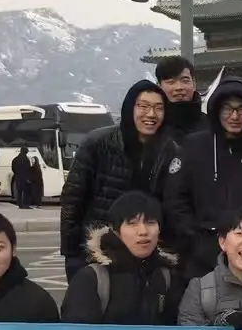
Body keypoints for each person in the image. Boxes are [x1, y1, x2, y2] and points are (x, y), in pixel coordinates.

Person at [59, 79, 180, 281]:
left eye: (159, 108)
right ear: (129, 108)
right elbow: (72, 200)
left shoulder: (170, 151)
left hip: (147, 253)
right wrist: (71, 254)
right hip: (100, 250)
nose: (151, 114)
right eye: (143, 106)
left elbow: (173, 207)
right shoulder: (98, 143)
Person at [164, 76, 242, 278]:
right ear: (216, 110)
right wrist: (194, 238)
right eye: (227, 109)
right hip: (202, 255)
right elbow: (175, 198)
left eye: (241, 109)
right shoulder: (194, 145)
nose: (234, 116)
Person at [61, 191, 183, 325]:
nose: (143, 231)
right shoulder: (93, 278)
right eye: (132, 223)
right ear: (115, 230)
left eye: (150, 222)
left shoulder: (166, 276)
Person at [156, 56, 206, 140]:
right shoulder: (153, 128)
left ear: (194, 84)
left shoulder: (213, 125)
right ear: (159, 86)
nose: (179, 87)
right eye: (171, 82)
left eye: (185, 81)